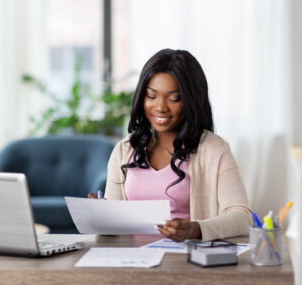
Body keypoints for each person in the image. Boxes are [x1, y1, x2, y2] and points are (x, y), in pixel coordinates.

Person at [89, 49, 252, 242]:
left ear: (191, 100)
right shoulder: (125, 149)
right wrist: (101, 217)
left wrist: (197, 229)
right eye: (151, 96)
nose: (160, 107)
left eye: (174, 98)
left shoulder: (214, 149)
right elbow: (113, 228)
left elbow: (242, 216)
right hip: (133, 263)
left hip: (185, 264)